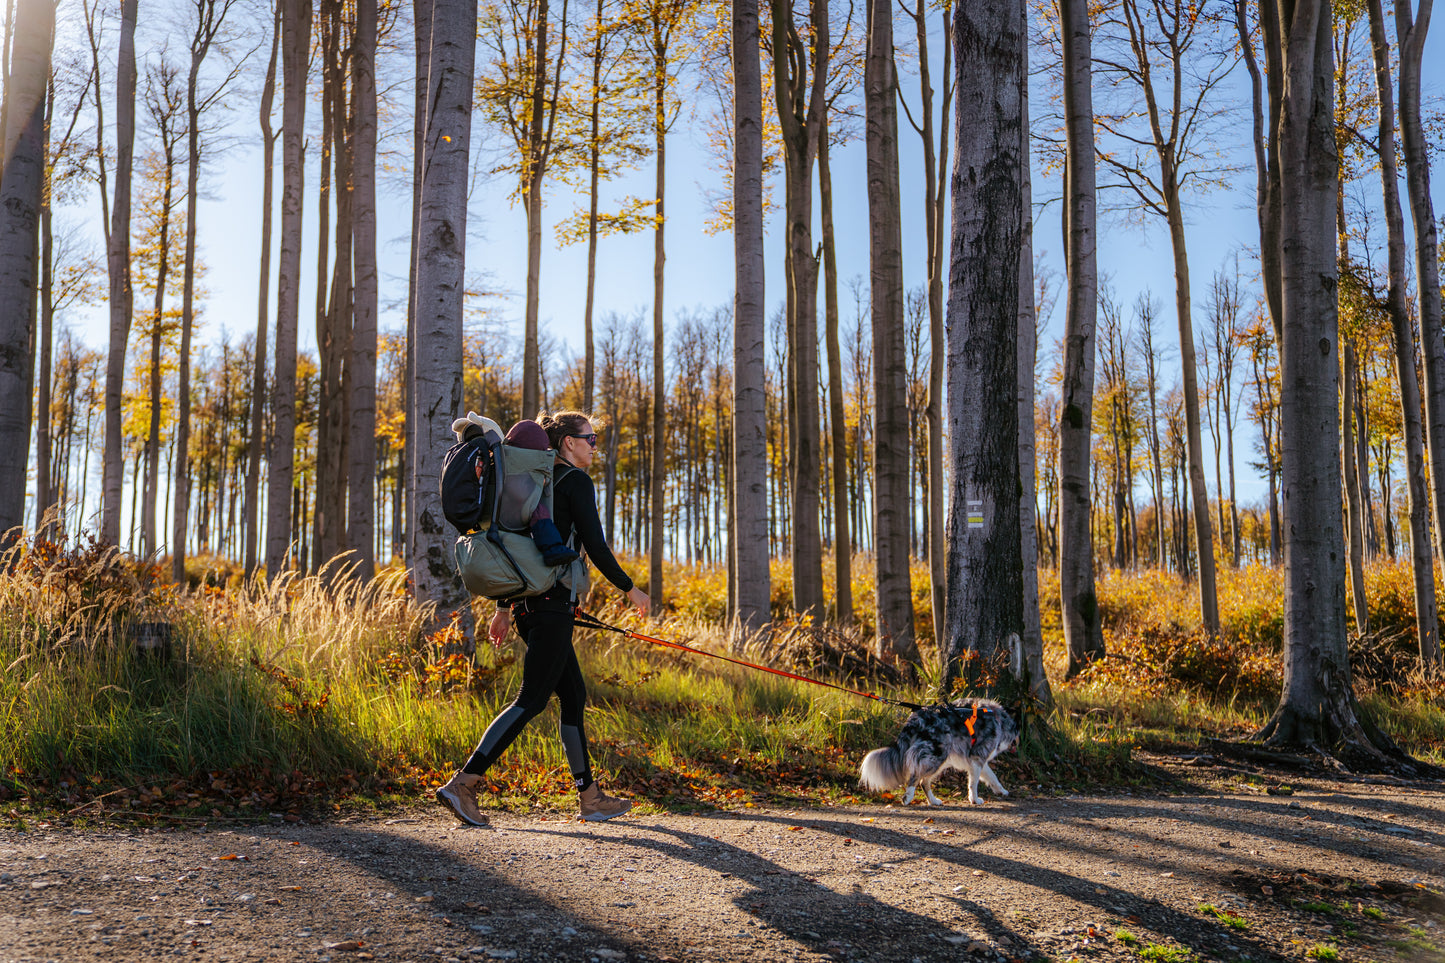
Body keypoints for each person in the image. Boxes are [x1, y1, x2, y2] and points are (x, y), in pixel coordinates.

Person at [435, 411, 651, 826]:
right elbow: (595, 543)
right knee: (532, 698)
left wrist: (502, 609)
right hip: (552, 607)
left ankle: (589, 797)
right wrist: (629, 588)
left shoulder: (535, 483)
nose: (594, 445)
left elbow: (515, 541)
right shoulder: (572, 482)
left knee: (572, 697)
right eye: (589, 438)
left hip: (527, 606)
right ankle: (464, 783)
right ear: (568, 442)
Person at [499, 419, 579, 566]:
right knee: (540, 514)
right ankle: (553, 550)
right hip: (520, 508)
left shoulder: (504, 460)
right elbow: (527, 489)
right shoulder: (524, 467)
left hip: (503, 512)